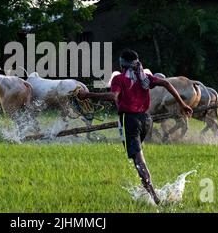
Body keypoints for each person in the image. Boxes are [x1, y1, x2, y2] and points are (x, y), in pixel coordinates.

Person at [77, 49, 193, 205]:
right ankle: (146, 188)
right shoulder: (143, 77)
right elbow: (165, 83)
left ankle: (153, 195)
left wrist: (87, 95)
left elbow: (113, 97)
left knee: (138, 160)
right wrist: (183, 104)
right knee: (138, 156)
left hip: (129, 120)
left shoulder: (119, 78)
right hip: (146, 119)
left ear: (122, 63)